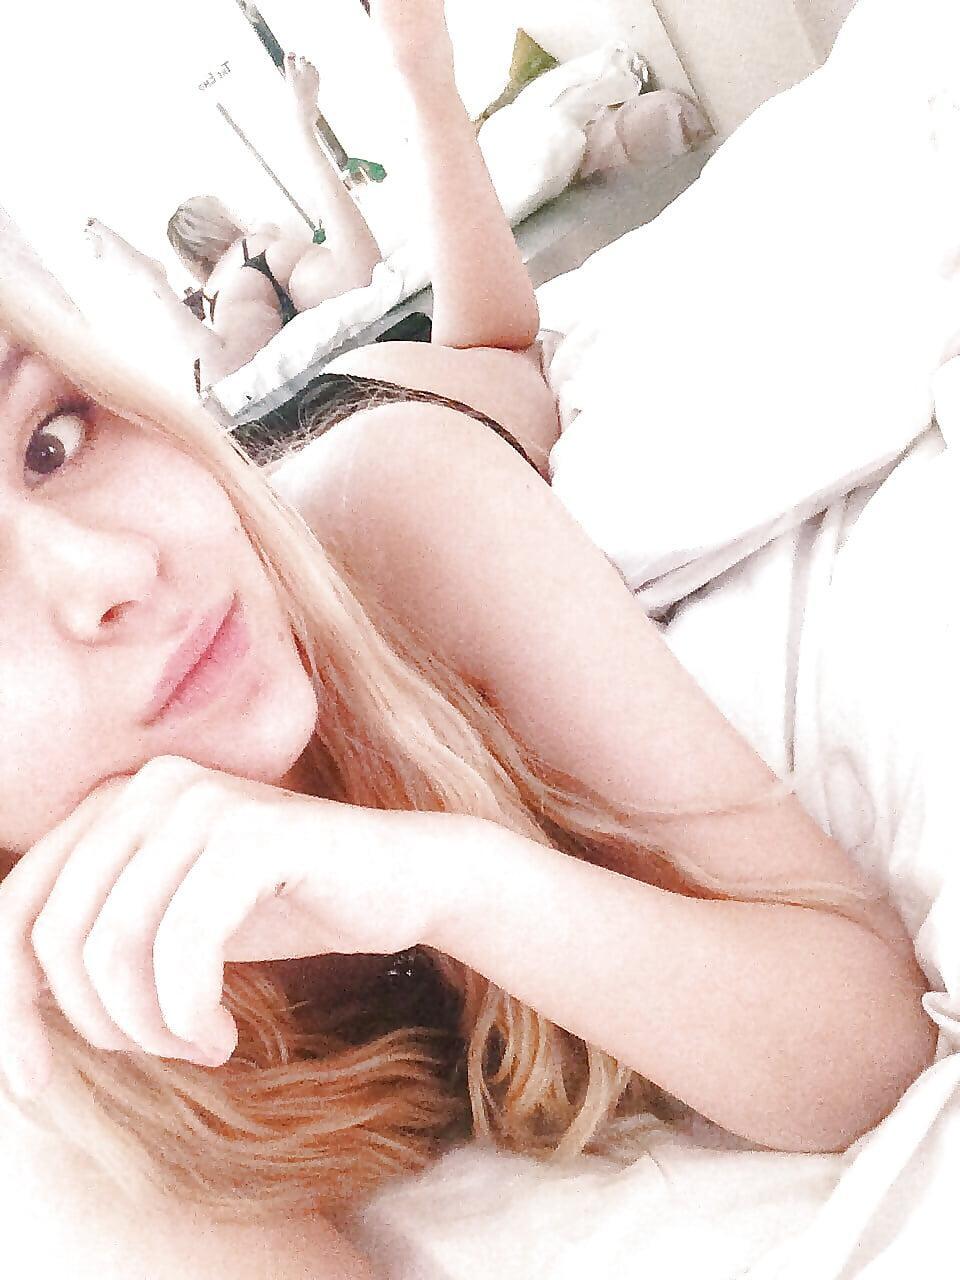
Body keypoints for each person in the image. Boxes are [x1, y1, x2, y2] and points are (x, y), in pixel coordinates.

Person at [0, 0, 936, 1253]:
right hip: (293, 415)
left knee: (496, 352)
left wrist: (450, 877)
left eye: (51, 438)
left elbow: (867, 1043)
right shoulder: (40, 1060)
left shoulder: (403, 508)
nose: (112, 569)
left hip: (387, 415)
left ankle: (420, 73)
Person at [85, 53, 383, 389]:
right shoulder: (260, 235)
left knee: (221, 371)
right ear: (220, 219)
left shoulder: (213, 291)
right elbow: (301, 234)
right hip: (272, 260)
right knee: (360, 275)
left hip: (237, 296)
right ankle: (304, 131)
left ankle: (153, 280)